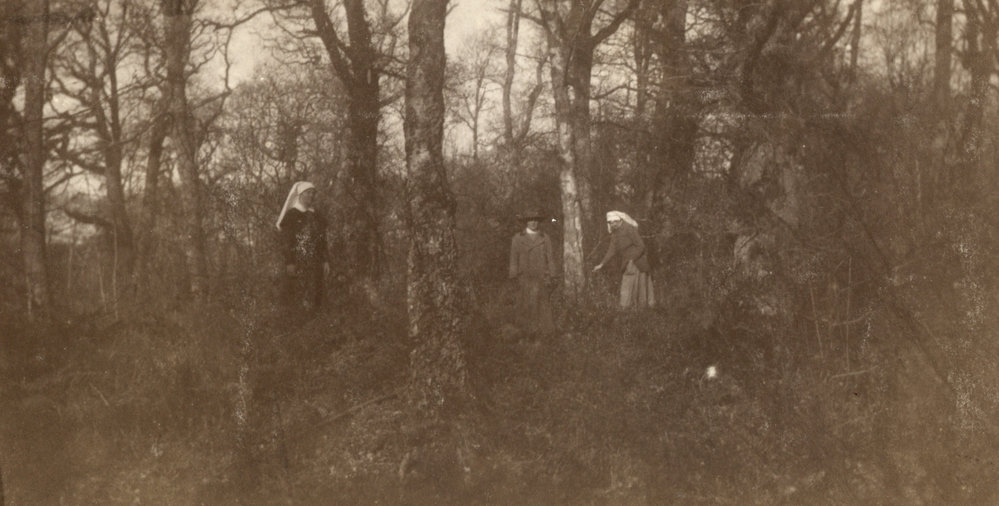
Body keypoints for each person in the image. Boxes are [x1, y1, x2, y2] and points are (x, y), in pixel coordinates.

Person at [276, 181, 330, 312]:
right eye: (307, 193)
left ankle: (314, 324)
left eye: (313, 193)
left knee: (317, 293)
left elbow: (322, 240)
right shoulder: (292, 215)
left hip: (316, 260)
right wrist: (290, 262)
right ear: (300, 195)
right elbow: (287, 241)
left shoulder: (316, 215)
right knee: (299, 294)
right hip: (298, 260)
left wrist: (326, 260)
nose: (311, 196)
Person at [593, 210, 655, 309]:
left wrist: (632, 258)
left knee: (639, 290)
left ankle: (639, 312)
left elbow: (641, 246)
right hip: (628, 263)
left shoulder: (629, 229)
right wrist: (602, 264)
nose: (613, 224)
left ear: (620, 220)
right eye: (610, 222)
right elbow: (611, 249)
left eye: (615, 222)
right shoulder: (615, 233)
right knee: (627, 288)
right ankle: (628, 312)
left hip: (637, 263)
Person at [508, 209, 557, 336]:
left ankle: (545, 336)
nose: (533, 222)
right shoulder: (517, 238)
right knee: (525, 306)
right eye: (530, 219)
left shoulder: (545, 238)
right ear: (525, 222)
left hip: (541, 277)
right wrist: (513, 277)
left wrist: (552, 275)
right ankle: (526, 335)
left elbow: (550, 258)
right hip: (525, 277)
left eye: (536, 220)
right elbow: (513, 259)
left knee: (542, 306)